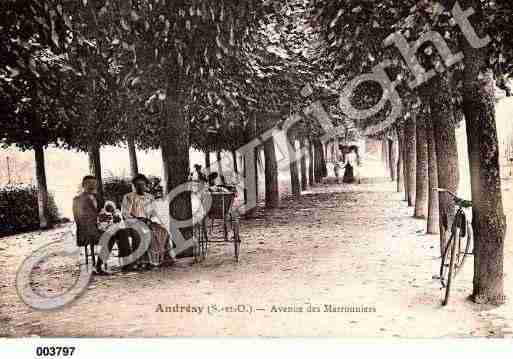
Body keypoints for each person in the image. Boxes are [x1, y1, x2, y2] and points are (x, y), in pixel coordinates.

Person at [72, 176, 131, 275]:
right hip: (86, 231)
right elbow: (78, 218)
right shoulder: (78, 199)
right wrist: (96, 223)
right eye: (88, 183)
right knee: (110, 235)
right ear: (83, 185)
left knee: (122, 231)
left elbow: (105, 212)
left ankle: (127, 263)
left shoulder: (99, 197)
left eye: (94, 183)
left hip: (101, 228)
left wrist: (113, 216)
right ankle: (98, 266)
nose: (92, 185)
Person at [121, 174, 175, 269]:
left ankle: (162, 258)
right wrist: (138, 219)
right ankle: (144, 261)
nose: (140, 187)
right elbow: (125, 213)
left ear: (146, 185)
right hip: (133, 222)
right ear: (133, 185)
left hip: (148, 221)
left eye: (142, 184)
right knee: (145, 232)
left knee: (163, 231)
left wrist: (151, 221)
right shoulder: (129, 197)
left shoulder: (149, 197)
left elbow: (153, 213)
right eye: (137, 185)